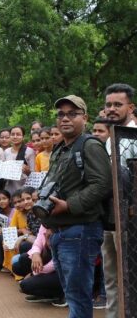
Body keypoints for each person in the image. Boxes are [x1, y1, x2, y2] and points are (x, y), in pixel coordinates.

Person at [43, 95, 111, 316]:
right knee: (72, 294)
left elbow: (102, 184)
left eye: (72, 114)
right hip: (61, 231)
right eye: (61, 114)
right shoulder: (60, 148)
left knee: (78, 296)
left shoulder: (90, 145)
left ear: (85, 117)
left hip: (81, 230)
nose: (65, 119)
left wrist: (69, 205)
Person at [102, 84, 137, 318]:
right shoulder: (109, 138)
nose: (112, 109)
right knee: (111, 277)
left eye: (118, 104)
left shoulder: (134, 138)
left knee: (130, 278)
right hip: (109, 219)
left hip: (130, 222)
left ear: (131, 107)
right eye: (108, 105)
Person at [12, 225, 64, 304]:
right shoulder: (46, 223)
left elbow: (57, 262)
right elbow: (37, 243)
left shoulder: (65, 227)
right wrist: (36, 255)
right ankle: (42, 285)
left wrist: (34, 273)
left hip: (63, 270)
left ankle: (60, 294)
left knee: (25, 285)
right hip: (49, 257)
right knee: (20, 263)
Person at [4, 126, 35, 194]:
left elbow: (33, 174)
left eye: (18, 134)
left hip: (24, 188)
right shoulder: (6, 152)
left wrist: (27, 170)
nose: (15, 137)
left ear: (23, 137)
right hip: (9, 187)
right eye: (12, 134)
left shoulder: (29, 151)